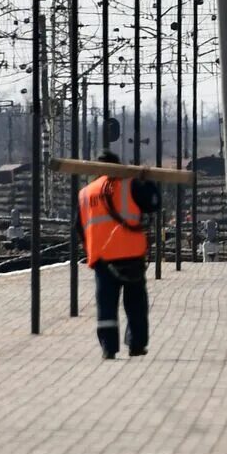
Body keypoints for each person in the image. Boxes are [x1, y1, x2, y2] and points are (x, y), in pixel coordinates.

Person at [77, 151, 160, 360]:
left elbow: (78, 227)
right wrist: (146, 181)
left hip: (103, 258)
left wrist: (91, 247)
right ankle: (136, 344)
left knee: (106, 306)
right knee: (136, 304)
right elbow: (154, 203)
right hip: (131, 254)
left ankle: (108, 347)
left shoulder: (86, 193)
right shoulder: (131, 185)